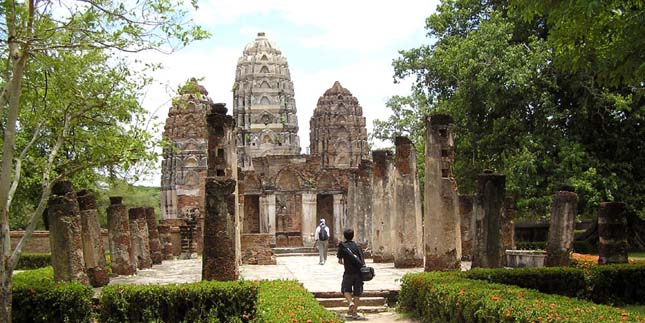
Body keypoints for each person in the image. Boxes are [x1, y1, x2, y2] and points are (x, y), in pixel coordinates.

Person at [337, 228, 365, 319]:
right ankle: (354, 312)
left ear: (344, 236)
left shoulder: (343, 246)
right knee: (357, 292)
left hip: (348, 272)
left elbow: (340, 261)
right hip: (358, 273)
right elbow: (362, 260)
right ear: (353, 236)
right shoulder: (358, 246)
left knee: (345, 289)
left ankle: (350, 302)